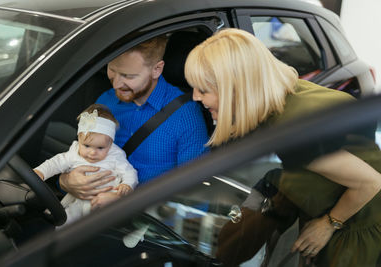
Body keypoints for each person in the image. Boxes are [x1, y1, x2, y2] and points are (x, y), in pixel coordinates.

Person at [184, 28, 381, 266]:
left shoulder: (292, 129)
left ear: (237, 88)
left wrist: (328, 223)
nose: (195, 97)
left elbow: (370, 182)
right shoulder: (287, 92)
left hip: (358, 225)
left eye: (203, 90)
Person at [59, 35, 209, 207]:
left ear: (157, 70)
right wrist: (66, 181)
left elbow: (193, 197)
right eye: (112, 71)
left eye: (128, 76)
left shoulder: (185, 116)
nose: (116, 84)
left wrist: (126, 201)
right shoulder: (105, 101)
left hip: (144, 223)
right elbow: (76, 155)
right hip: (85, 211)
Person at [34, 104, 138, 225]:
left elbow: (129, 172)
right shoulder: (75, 152)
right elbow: (56, 163)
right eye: (87, 146)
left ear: (110, 144)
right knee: (64, 223)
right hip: (79, 200)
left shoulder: (115, 155)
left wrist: (127, 184)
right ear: (79, 139)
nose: (92, 152)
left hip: (106, 199)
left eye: (100, 148)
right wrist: (40, 172)